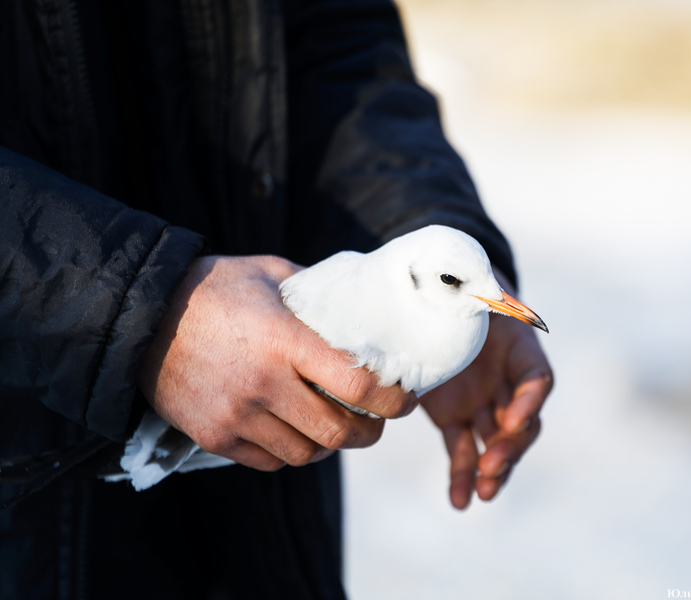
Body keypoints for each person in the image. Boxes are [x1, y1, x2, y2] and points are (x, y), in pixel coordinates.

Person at [0, 0, 553, 597]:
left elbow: (342, 50)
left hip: (266, 501)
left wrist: (429, 226)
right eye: (453, 283)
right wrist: (149, 312)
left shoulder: (438, 303)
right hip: (33, 465)